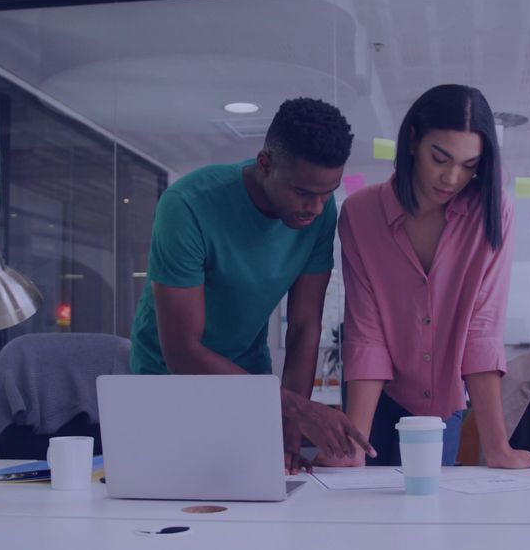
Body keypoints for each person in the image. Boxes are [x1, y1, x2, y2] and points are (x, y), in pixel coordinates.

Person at [130, 97, 375, 473]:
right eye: (304, 192)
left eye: (328, 192)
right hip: (169, 382)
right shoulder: (187, 206)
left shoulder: (320, 212)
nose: (315, 207)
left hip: (250, 381)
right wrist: (296, 408)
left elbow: (305, 327)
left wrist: (291, 425)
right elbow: (182, 351)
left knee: (257, 509)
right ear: (265, 165)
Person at [323, 84, 530, 469]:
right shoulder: (360, 213)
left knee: (426, 510)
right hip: (372, 396)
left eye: (469, 165)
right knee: (357, 500)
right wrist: (353, 446)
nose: (452, 178)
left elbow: (481, 328)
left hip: (442, 401)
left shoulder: (492, 213)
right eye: (440, 158)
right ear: (413, 141)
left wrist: (498, 447)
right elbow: (366, 329)